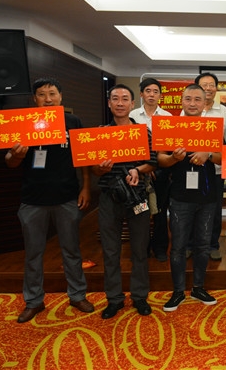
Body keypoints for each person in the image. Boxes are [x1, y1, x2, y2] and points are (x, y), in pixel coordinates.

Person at [6, 77, 94, 323]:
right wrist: (16, 155)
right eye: (42, 94)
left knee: (72, 251)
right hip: (32, 201)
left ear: (60, 97)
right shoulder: (23, 123)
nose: (47, 99)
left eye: (52, 93)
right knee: (33, 253)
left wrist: (86, 187)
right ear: (34, 99)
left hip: (67, 198)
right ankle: (34, 300)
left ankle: (77, 295)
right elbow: (9, 162)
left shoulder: (73, 122)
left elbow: (83, 157)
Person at [93, 84, 157, 319]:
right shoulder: (100, 134)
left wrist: (137, 170)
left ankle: (140, 297)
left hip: (138, 198)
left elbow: (153, 162)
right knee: (110, 251)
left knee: (140, 249)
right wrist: (100, 168)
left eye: (124, 99)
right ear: (109, 103)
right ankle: (114, 299)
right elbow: (93, 169)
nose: (120, 103)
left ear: (132, 104)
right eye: (115, 98)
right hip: (109, 199)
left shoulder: (143, 132)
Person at [157, 84, 221, 311]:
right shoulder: (170, 126)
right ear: (181, 101)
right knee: (178, 246)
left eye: (197, 99)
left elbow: (223, 157)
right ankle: (178, 291)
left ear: (205, 103)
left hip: (207, 196)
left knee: (203, 245)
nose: (192, 103)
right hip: (180, 196)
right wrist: (174, 158)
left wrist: (208, 154)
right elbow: (160, 160)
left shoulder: (211, 127)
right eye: (188, 99)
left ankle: (198, 288)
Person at [187, 72, 226, 261]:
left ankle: (213, 245)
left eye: (212, 85)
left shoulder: (224, 111)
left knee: (215, 209)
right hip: (191, 167)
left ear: (216, 88)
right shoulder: (188, 110)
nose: (208, 88)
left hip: (215, 168)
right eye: (204, 85)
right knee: (190, 208)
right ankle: (190, 245)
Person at [130, 77, 173, 262]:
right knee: (140, 211)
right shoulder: (132, 116)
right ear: (141, 94)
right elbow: (130, 144)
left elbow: (169, 146)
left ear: (160, 95)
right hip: (139, 172)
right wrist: (144, 167)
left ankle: (160, 248)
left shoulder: (167, 117)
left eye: (155, 92)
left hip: (161, 172)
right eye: (148, 91)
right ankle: (142, 249)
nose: (152, 95)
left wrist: (155, 165)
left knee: (160, 212)